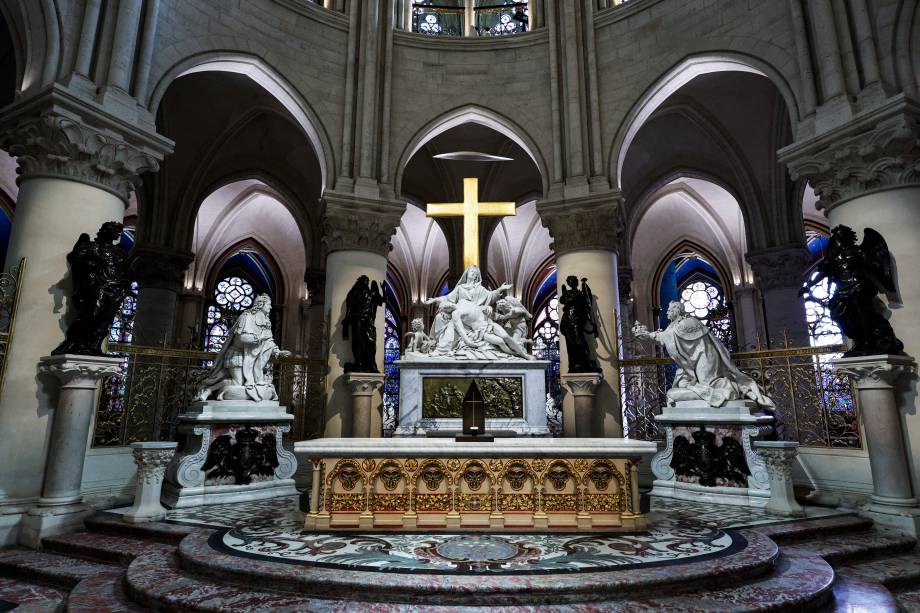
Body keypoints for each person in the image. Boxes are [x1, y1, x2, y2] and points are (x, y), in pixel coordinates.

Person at [632, 301, 774, 410]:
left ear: (677, 311)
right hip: (695, 361)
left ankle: (736, 388)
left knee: (709, 384)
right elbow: (666, 337)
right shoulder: (674, 325)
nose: (667, 313)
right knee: (680, 386)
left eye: (669, 310)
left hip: (705, 358)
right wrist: (648, 335)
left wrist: (648, 335)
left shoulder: (688, 322)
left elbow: (667, 336)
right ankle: (732, 389)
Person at [53, 221, 132, 356]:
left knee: (106, 319)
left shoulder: (119, 252)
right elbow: (73, 257)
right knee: (92, 313)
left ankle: (94, 346)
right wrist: (89, 263)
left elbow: (127, 270)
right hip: (100, 286)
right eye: (114, 231)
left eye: (117, 233)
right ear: (105, 231)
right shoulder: (92, 246)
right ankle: (72, 342)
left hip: (117, 288)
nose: (116, 234)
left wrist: (126, 285)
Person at [198, 294, 291, 401]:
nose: (270, 307)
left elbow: (269, 341)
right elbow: (243, 337)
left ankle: (214, 390)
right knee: (237, 382)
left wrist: (278, 352)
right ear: (261, 305)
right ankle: (209, 390)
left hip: (251, 358)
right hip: (237, 355)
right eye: (269, 305)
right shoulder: (246, 317)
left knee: (245, 384)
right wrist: (259, 338)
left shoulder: (266, 322)